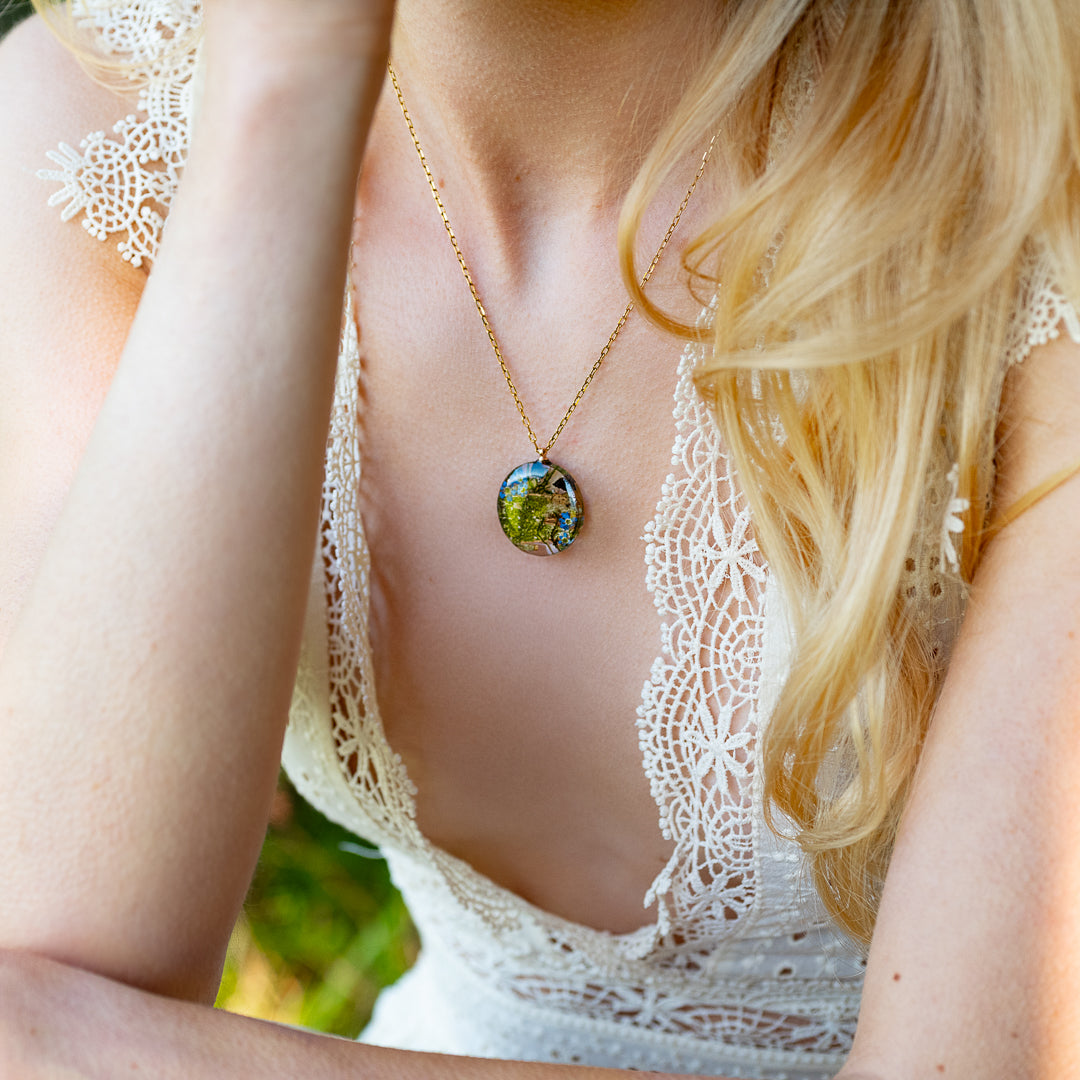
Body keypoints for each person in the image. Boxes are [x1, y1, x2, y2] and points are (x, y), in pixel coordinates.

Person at [0, 0, 1079, 1077]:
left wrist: (115, 1051)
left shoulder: (1034, 163)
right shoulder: (97, 132)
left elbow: (50, 1032)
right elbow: (64, 965)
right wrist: (286, 77)